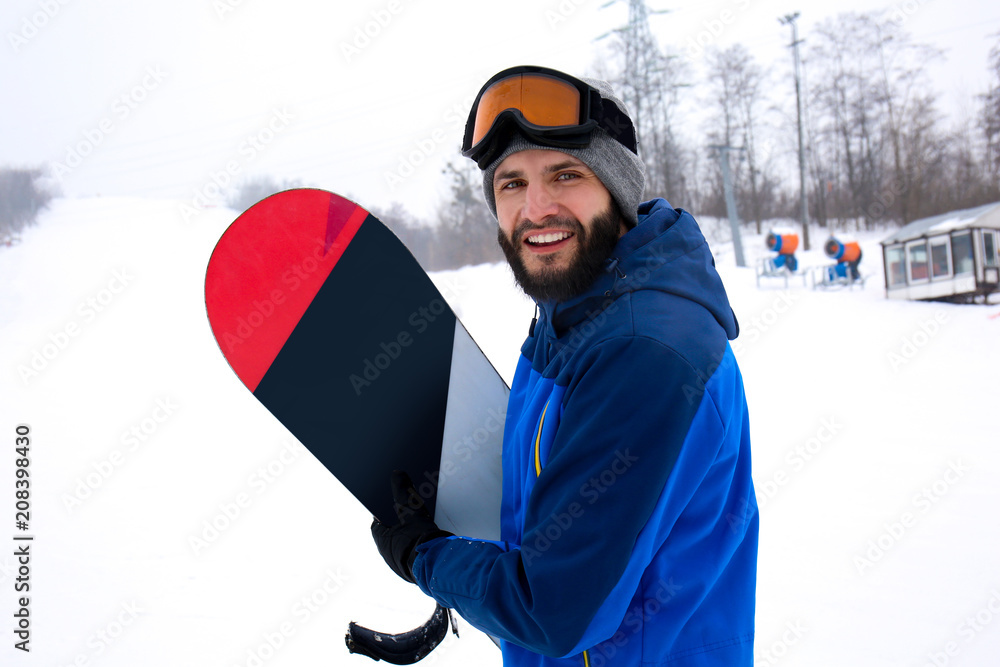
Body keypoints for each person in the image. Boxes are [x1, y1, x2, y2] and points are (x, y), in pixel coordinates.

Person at [371, 65, 758, 666]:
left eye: (566, 175)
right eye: (510, 184)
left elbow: (551, 608)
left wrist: (426, 556)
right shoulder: (573, 315)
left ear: (617, 188)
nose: (536, 207)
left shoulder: (642, 349)